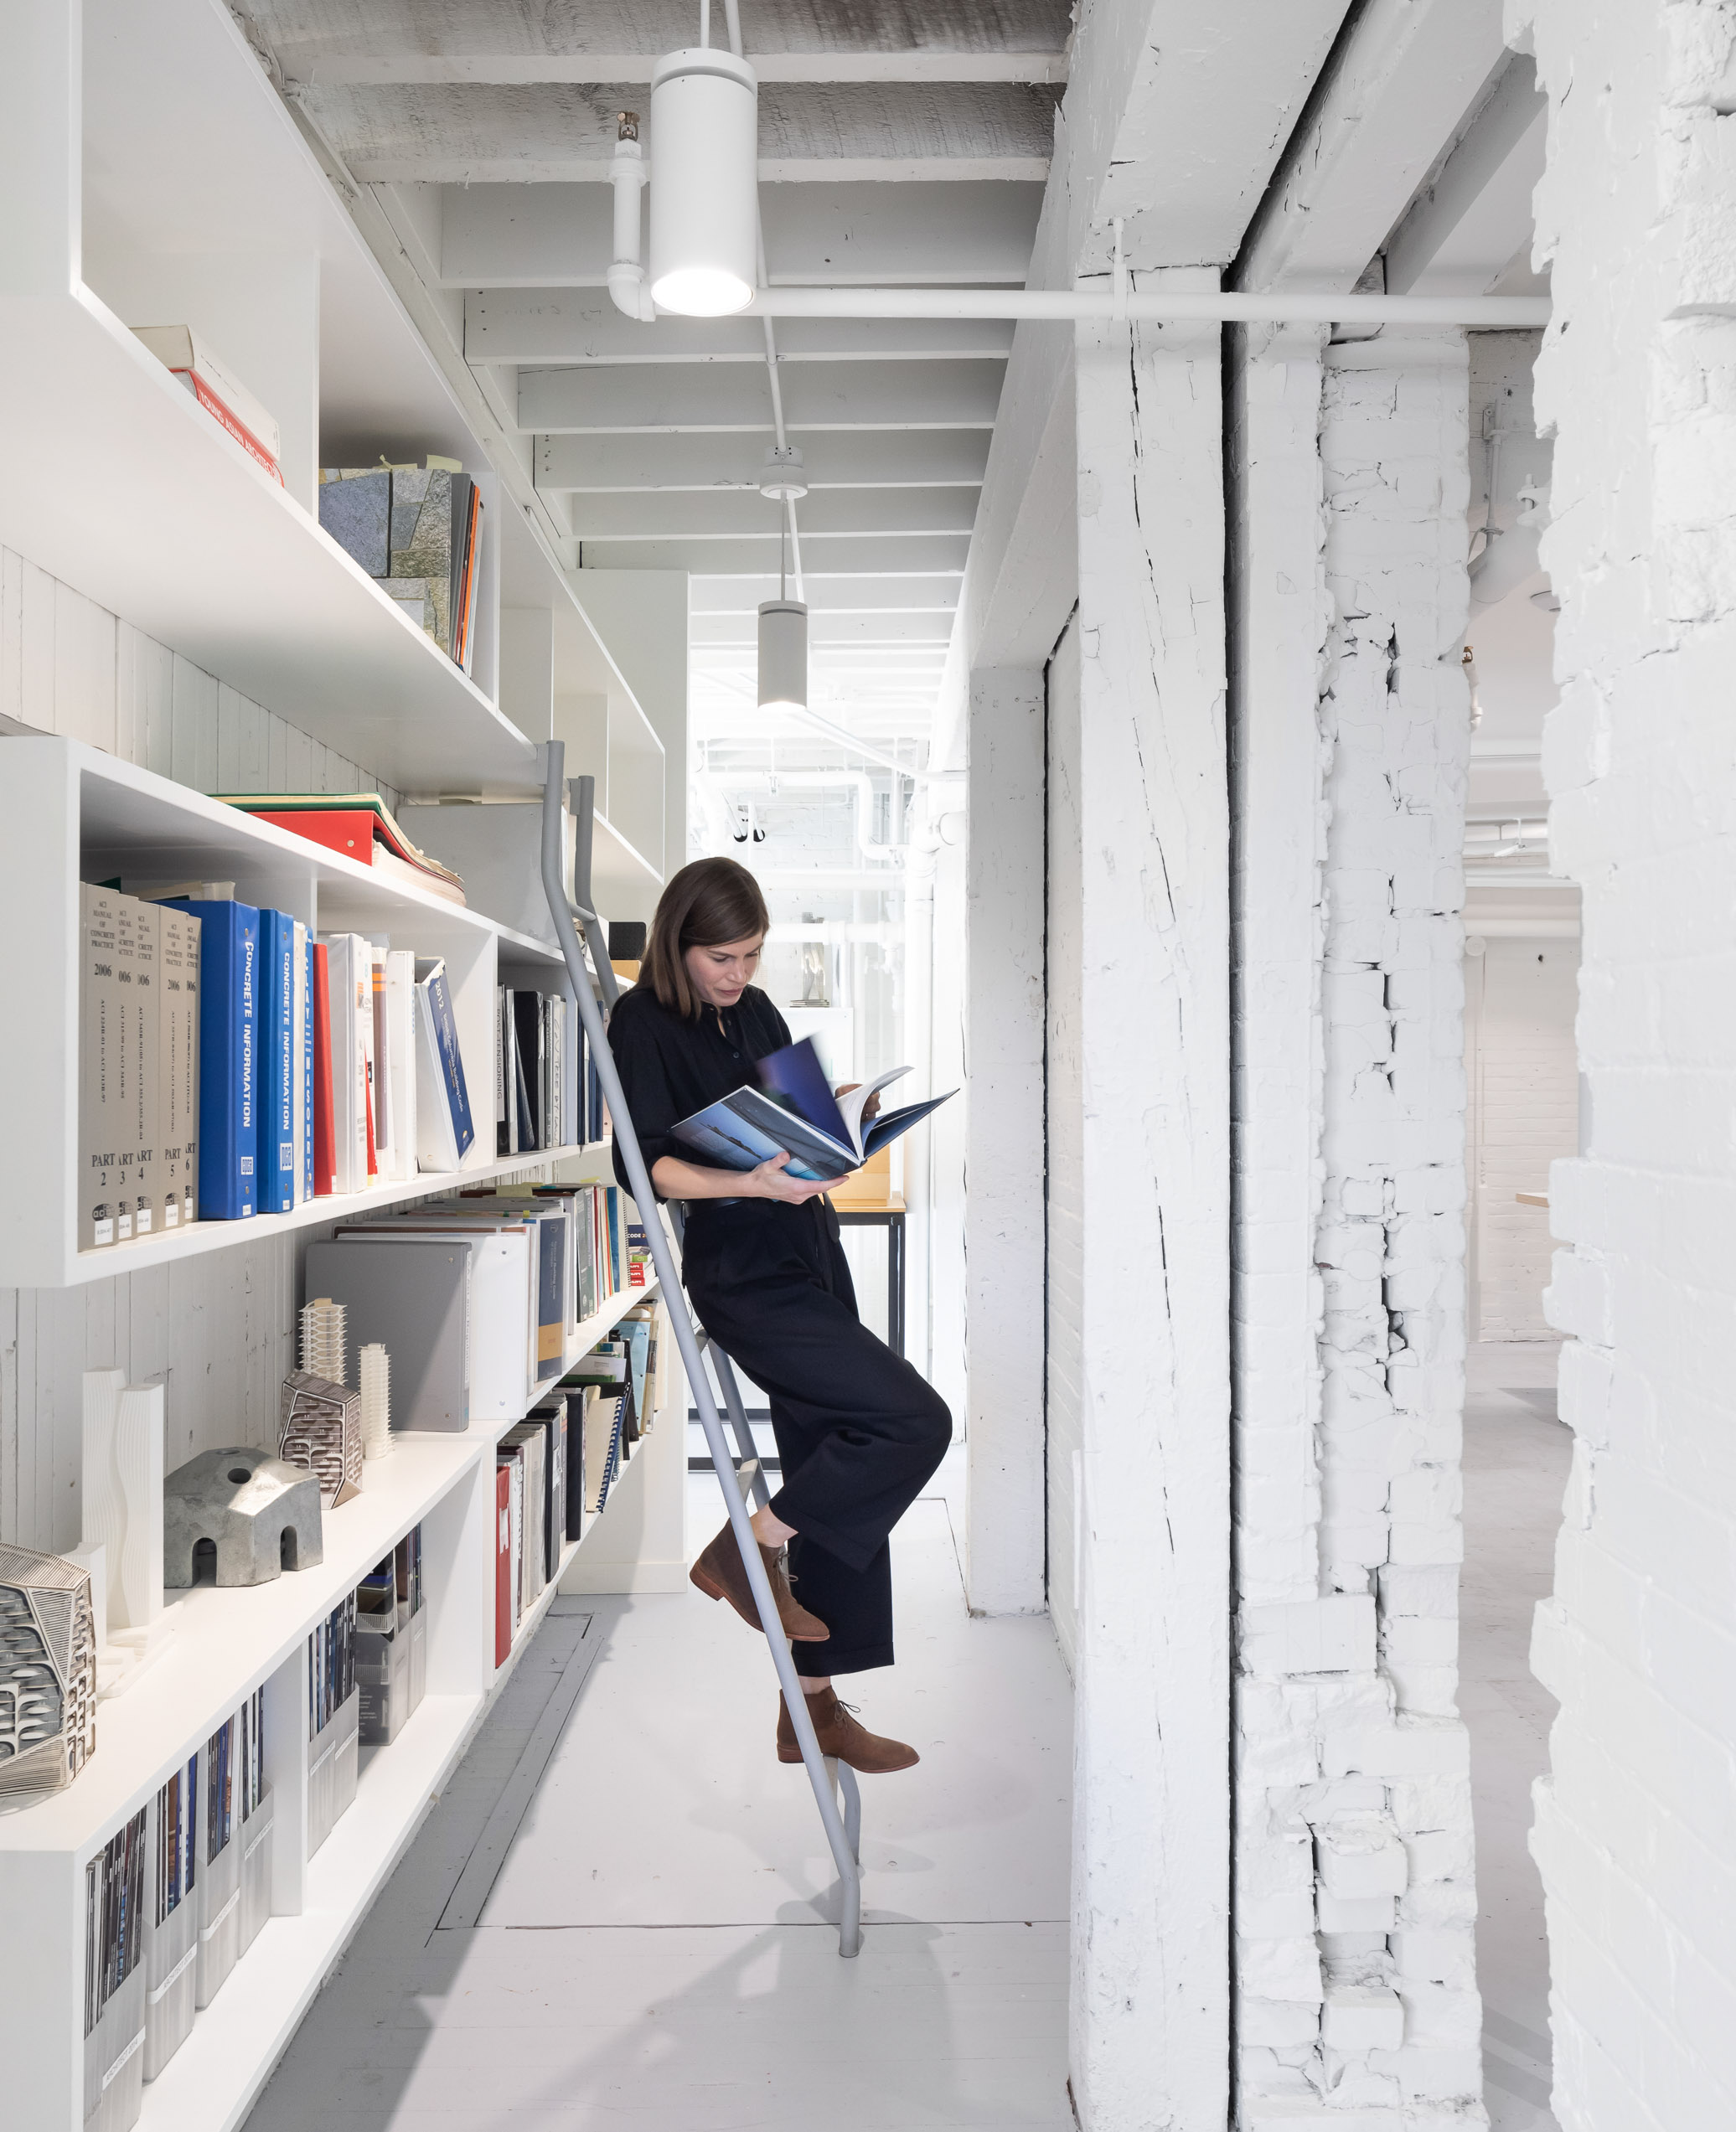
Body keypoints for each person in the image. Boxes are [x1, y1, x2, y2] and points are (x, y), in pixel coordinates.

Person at [608, 856, 951, 1773]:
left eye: (752, 955)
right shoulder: (638, 1024)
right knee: (911, 1420)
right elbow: (643, 1166)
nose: (738, 974)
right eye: (721, 956)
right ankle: (747, 1547)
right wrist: (745, 1181)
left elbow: (790, 1118)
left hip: (808, 1247)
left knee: (829, 1458)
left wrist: (841, 1127)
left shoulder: (756, 1012)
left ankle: (814, 1710)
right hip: (742, 1273)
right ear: (677, 943)